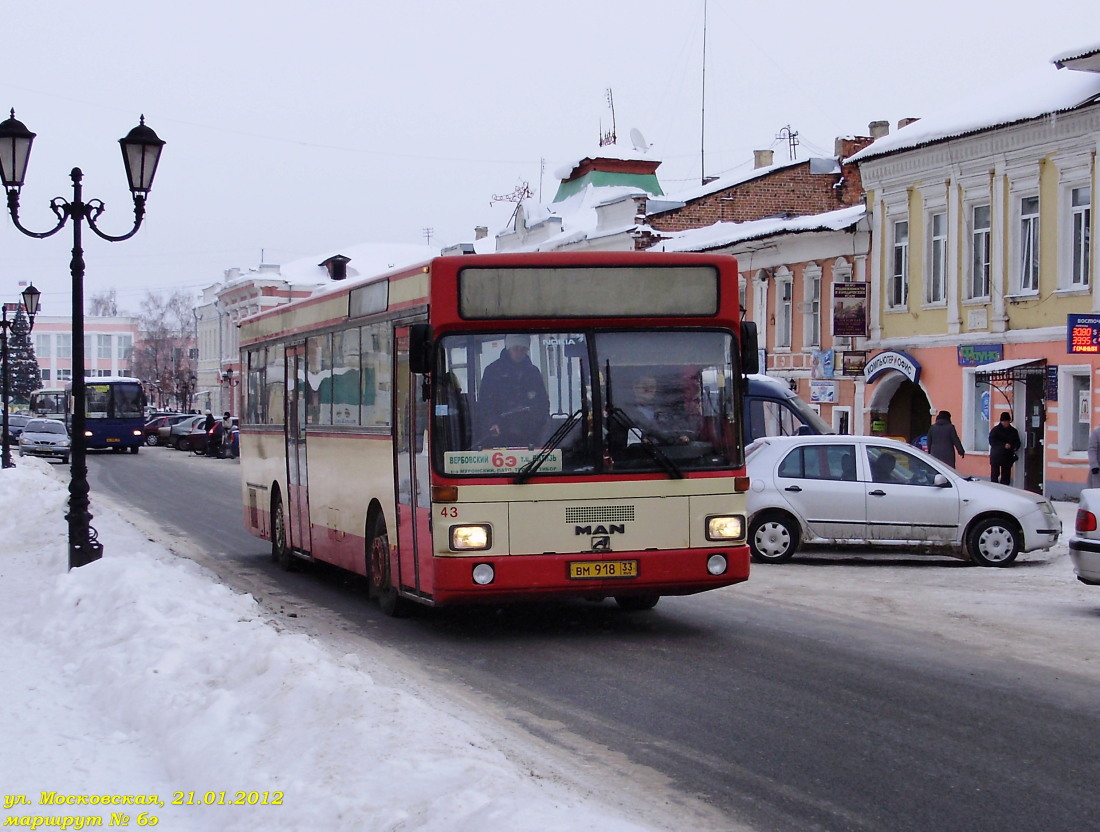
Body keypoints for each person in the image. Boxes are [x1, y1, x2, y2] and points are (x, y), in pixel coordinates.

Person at [477, 335, 549, 446]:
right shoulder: (492, 372)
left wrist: (538, 423)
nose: (519, 353)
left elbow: (542, 403)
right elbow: (484, 403)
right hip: (499, 435)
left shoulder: (533, 373)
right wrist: (492, 423)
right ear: (508, 348)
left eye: (523, 349)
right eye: (516, 348)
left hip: (530, 435)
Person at [623, 374, 695, 445]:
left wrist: (680, 437)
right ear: (635, 387)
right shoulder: (625, 413)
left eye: (652, 386)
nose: (648, 389)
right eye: (644, 386)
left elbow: (677, 430)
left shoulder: (666, 411)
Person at [988, 411, 1021, 485]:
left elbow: (1017, 442)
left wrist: (1015, 447)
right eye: (1003, 421)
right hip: (996, 456)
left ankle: (1005, 490)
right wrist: (1003, 445)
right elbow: (992, 442)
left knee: (1006, 476)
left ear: (1009, 421)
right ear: (1001, 421)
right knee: (995, 475)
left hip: (1007, 457)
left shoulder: (1013, 431)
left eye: (1007, 421)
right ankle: (994, 489)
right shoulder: (995, 430)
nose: (1005, 423)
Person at [1088, 423, 1100, 488]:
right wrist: (1094, 465)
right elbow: (1092, 450)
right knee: (1096, 493)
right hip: (1098, 471)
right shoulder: (1096, 433)